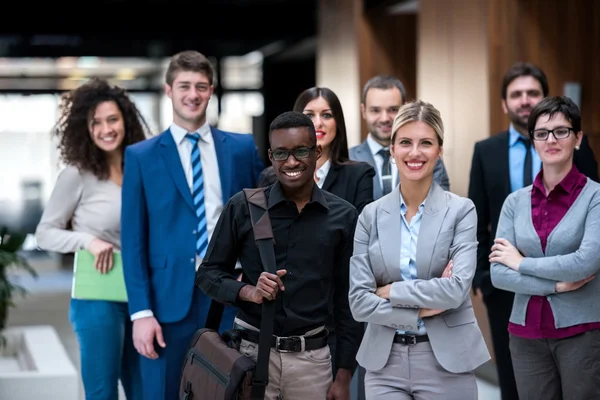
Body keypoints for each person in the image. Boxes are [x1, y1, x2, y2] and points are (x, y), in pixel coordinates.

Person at [120, 50, 264, 400]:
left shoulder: (241, 148)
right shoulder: (141, 156)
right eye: (184, 85)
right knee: (165, 392)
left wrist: (253, 270)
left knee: (232, 390)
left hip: (231, 294)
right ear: (169, 90)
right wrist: (141, 312)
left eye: (201, 86)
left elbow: (260, 219)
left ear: (211, 90)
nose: (193, 94)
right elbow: (133, 240)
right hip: (167, 299)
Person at [197, 111, 363, 400]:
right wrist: (249, 291)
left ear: (317, 151)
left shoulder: (344, 216)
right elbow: (208, 274)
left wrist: (344, 374)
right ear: (271, 157)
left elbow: (347, 302)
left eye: (301, 151)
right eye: (282, 154)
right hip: (250, 354)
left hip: (313, 362)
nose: (292, 162)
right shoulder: (243, 207)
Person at [468, 62, 599, 400]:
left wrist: (519, 263)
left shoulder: (592, 191)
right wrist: (554, 283)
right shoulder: (511, 194)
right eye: (541, 133)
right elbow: (492, 254)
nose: (550, 140)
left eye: (561, 131)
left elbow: (585, 260)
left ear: (577, 138)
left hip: (579, 322)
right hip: (520, 317)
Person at [349, 100, 490, 400]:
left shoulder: (461, 212)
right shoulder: (369, 217)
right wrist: (419, 311)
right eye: (405, 143)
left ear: (439, 150)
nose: (414, 153)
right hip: (384, 365)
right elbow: (359, 302)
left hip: (446, 362)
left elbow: (454, 291)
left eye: (425, 143)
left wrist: (391, 292)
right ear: (392, 149)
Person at [36, 78, 148, 400]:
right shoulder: (76, 174)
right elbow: (45, 233)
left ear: (126, 120)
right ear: (84, 128)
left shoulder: (143, 168)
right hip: (98, 294)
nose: (105, 129)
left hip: (143, 295)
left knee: (145, 390)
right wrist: (87, 240)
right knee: (102, 393)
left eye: (112, 119)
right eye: (95, 122)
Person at [350, 75, 450, 198]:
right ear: (363, 110)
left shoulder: (428, 157)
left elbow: (439, 207)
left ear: (405, 109)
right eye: (375, 110)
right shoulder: (347, 160)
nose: (384, 118)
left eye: (393, 110)